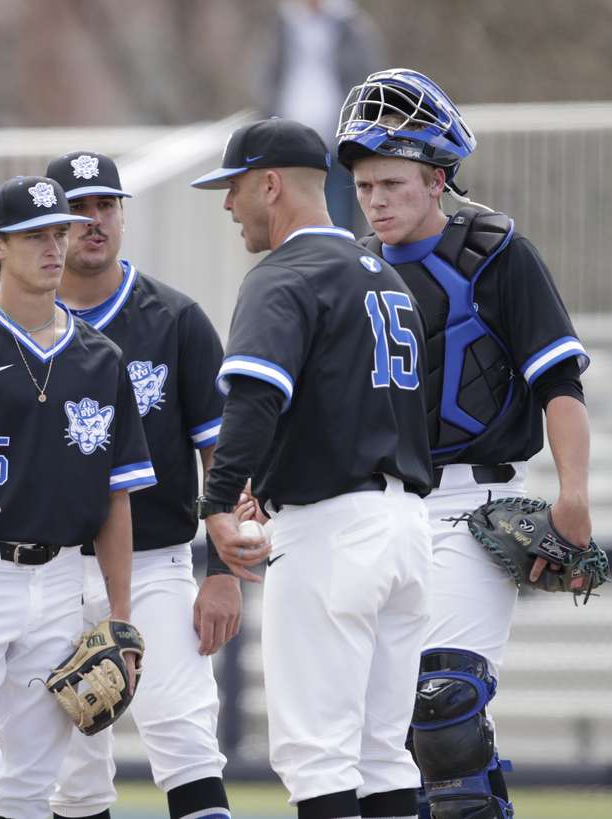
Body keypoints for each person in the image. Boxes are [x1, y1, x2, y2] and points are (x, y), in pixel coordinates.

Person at [336, 68, 593, 818]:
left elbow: (560, 385)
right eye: (365, 186)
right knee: (384, 733)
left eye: (393, 182)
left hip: (470, 505)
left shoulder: (497, 252)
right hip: (375, 511)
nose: (377, 199)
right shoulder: (349, 271)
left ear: (439, 178)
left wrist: (573, 494)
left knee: (444, 701)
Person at [192, 117, 434, 819]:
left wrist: (217, 501)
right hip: (405, 526)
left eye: (235, 188)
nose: (229, 204)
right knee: (384, 751)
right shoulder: (385, 274)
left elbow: (256, 398)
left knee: (317, 755)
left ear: (269, 184)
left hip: (333, 531)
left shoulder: (284, 273)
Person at [0, 175, 154, 819]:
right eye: (34, 236)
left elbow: (117, 498)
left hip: (60, 581)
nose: (53, 247)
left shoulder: (103, 357)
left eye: (58, 233)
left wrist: (119, 618)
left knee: (29, 784)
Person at [40, 151, 236, 819]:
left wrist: (225, 572)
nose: (94, 221)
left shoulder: (175, 319)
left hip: (155, 562)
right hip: (51, 570)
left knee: (186, 738)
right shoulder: (15, 326)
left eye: (107, 205)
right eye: (77, 209)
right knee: (72, 776)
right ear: (50, 226)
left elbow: (223, 456)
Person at [260, 0, 385, 233]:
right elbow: (268, 76)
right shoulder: (284, 22)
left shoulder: (349, 23)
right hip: (291, 138)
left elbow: (365, 77)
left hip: (336, 137)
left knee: (337, 217)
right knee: (293, 218)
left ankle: (338, 266)